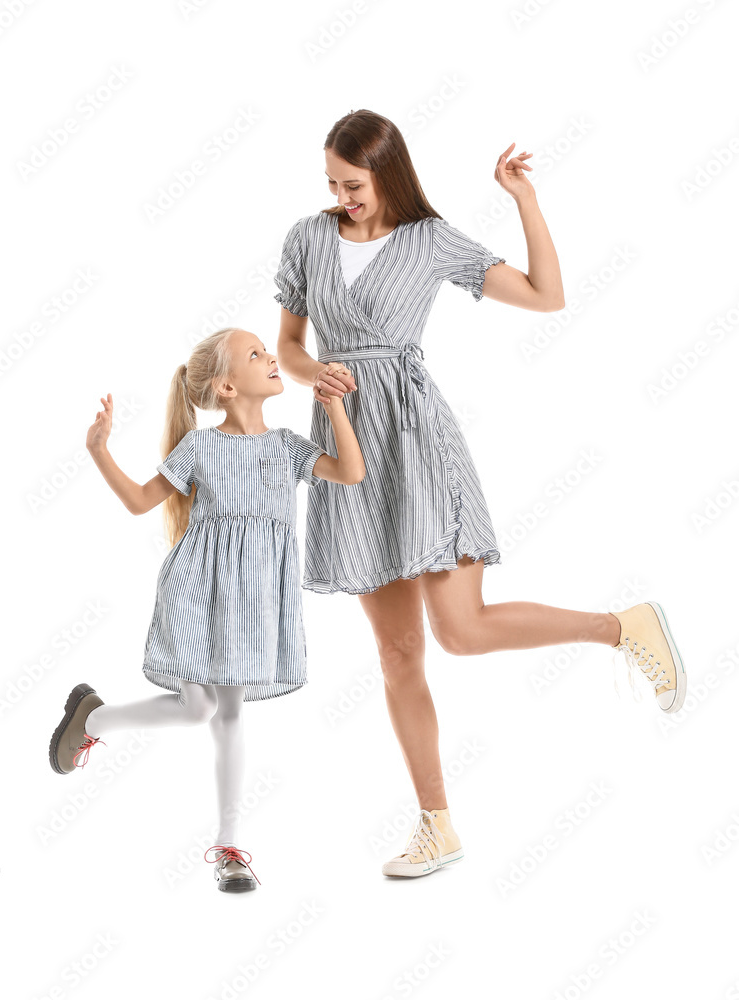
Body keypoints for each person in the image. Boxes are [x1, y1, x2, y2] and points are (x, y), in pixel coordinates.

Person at [273, 108, 687, 880]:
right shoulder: (306, 237)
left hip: (417, 441)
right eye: (331, 181)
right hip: (347, 446)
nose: (340, 195)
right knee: (398, 652)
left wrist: (523, 199)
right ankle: (437, 827)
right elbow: (289, 347)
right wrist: (310, 374)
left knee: (459, 631)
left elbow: (545, 294)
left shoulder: (432, 240)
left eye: (353, 183)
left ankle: (621, 627)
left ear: (387, 174)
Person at [48, 326, 365, 892]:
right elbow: (141, 501)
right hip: (196, 586)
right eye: (256, 355)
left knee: (227, 710)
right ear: (225, 385)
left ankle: (228, 846)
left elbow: (350, 471)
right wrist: (99, 451)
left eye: (267, 352)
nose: (273, 358)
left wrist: (336, 405)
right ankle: (93, 721)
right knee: (199, 709)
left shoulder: (288, 445)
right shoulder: (201, 447)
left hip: (256, 597)